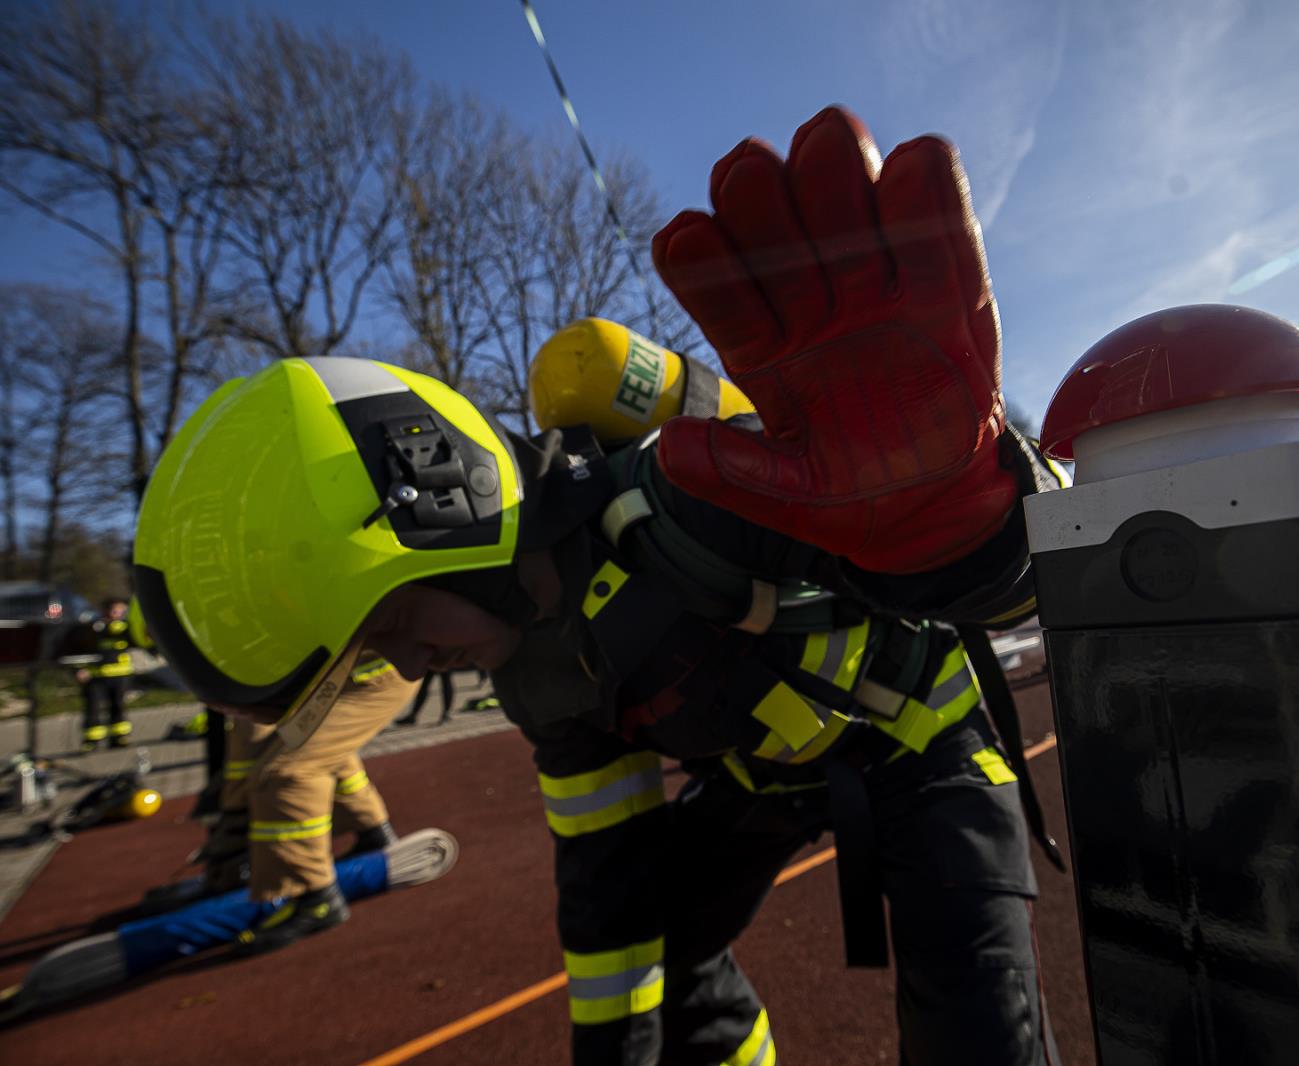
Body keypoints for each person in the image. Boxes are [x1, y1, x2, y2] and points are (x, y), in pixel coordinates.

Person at [133, 107, 1066, 1064]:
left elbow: (1031, 591)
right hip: (769, 779)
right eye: (379, 652)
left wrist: (966, 527)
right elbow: (607, 888)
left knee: (976, 1031)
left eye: (399, 620)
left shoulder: (685, 501)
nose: (409, 667)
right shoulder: (536, 678)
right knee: (667, 945)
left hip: (922, 749)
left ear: (446, 499)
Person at [152, 653, 415, 950]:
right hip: (318, 675)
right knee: (254, 742)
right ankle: (369, 832)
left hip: (368, 672)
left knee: (288, 773)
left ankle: (316, 899)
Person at [76, 597, 134, 750]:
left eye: (120, 610)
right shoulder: (94, 628)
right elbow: (82, 650)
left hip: (119, 675)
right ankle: (92, 740)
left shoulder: (126, 628)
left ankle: (119, 737)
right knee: (93, 709)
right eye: (113, 610)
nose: (115, 613)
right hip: (96, 676)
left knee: (118, 706)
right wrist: (80, 669)